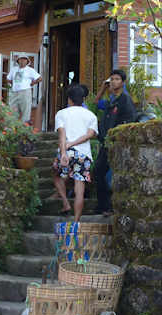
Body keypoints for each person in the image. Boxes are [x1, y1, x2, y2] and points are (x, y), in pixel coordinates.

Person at [52, 83, 99, 223]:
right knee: (80, 188)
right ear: (83, 99)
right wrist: (75, 144)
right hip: (83, 155)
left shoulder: (61, 114)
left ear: (69, 99)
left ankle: (65, 202)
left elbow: (62, 134)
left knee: (56, 175)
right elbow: (90, 134)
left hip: (67, 152)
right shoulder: (91, 115)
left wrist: (64, 152)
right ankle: (76, 221)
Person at [94, 68, 136, 215]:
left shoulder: (125, 99)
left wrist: (117, 137)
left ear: (123, 82)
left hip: (117, 142)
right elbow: (96, 103)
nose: (114, 81)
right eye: (112, 79)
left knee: (113, 174)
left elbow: (129, 120)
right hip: (106, 143)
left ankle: (111, 207)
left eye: (117, 79)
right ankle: (103, 206)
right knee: (98, 171)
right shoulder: (111, 100)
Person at [6, 54, 41, 124]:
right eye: (20, 59)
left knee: (26, 111)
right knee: (12, 111)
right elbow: (8, 78)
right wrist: (13, 84)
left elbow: (39, 78)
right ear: (18, 61)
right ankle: (12, 129)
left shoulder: (30, 70)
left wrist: (32, 83)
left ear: (27, 61)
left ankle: (24, 129)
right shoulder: (14, 69)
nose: (22, 61)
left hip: (25, 92)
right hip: (14, 92)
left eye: (24, 59)